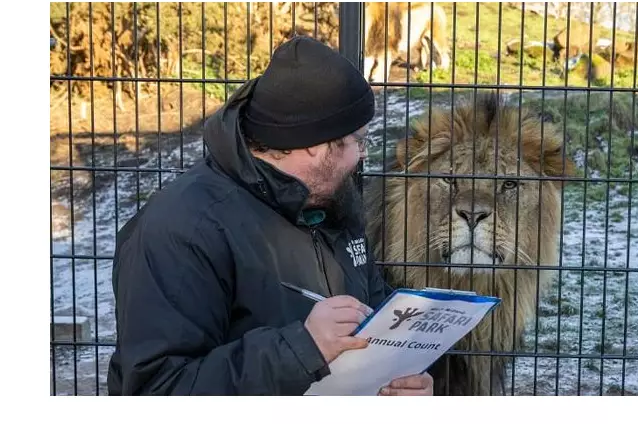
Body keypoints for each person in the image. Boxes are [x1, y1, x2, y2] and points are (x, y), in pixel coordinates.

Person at [106, 35, 433, 396]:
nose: (361, 156)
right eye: (358, 140)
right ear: (315, 144)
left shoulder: (332, 202)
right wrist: (301, 349)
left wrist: (400, 376)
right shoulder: (183, 229)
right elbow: (157, 390)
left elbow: (372, 312)